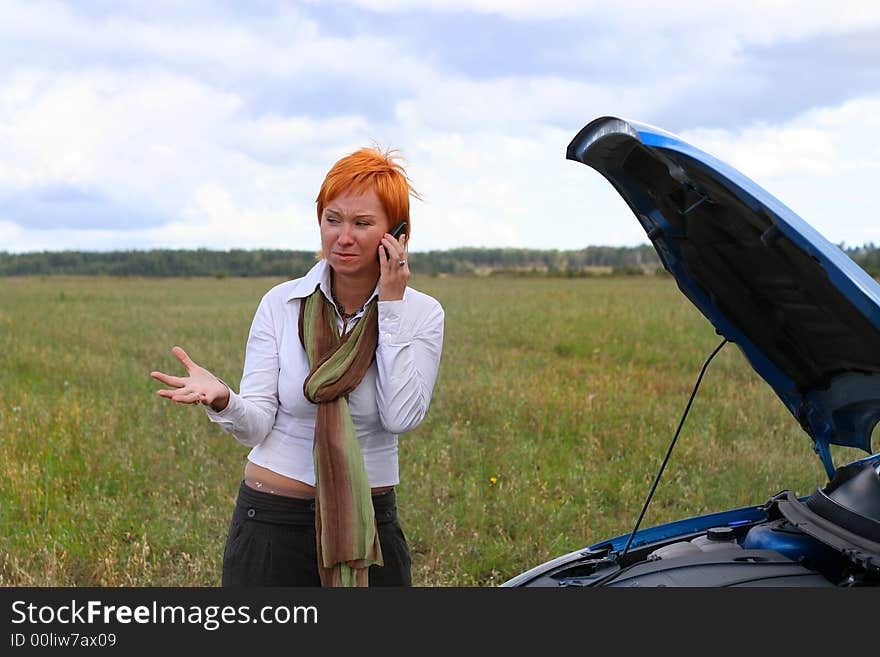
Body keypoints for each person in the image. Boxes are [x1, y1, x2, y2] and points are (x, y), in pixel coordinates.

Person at [150, 146, 445, 587]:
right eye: (332, 219)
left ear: (398, 235)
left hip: (369, 533)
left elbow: (400, 416)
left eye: (362, 223)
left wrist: (392, 306)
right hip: (272, 526)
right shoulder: (281, 304)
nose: (343, 237)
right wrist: (225, 400)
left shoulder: (420, 314)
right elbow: (255, 427)